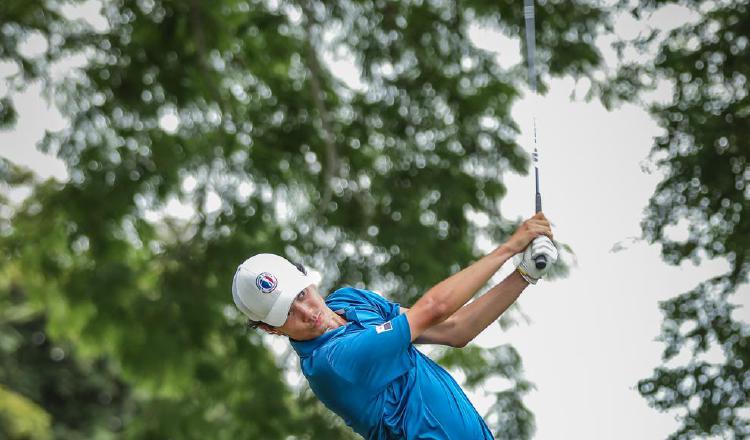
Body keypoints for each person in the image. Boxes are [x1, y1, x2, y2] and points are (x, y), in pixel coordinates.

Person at [231, 212, 557, 439]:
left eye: (301, 294)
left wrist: (524, 273)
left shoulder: (350, 301)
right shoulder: (331, 363)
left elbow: (454, 329)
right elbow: (434, 308)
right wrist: (510, 247)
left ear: (307, 278)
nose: (306, 310)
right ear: (271, 329)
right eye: (288, 312)